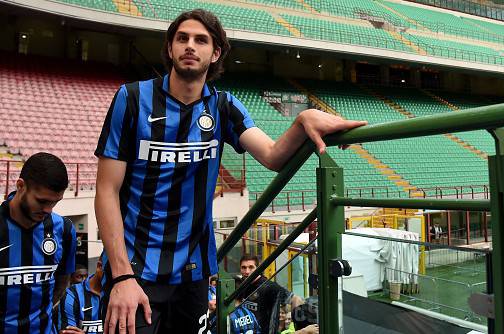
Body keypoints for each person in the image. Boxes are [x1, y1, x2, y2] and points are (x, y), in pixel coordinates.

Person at [94, 8, 366, 334]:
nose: (190, 46)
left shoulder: (223, 106)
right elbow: (106, 190)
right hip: (135, 273)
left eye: (201, 40)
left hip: (192, 276)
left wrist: (302, 120)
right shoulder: (132, 99)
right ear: (170, 48)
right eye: (182, 38)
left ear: (215, 53)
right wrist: (121, 276)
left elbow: (273, 156)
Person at [0, 152, 77, 333]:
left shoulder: (64, 229)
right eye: (42, 201)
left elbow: (61, 282)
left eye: (55, 202)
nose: (48, 210)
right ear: (21, 186)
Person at [239, 255, 303, 334]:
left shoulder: (269, 287)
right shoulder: (240, 284)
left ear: (258, 269)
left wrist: (297, 327)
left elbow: (296, 299)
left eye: (251, 267)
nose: (247, 271)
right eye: (244, 267)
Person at [58, 260, 105, 334]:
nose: (83, 279)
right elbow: (67, 331)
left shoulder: (124, 295)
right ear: (99, 266)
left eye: (85, 276)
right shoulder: (71, 294)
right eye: (79, 276)